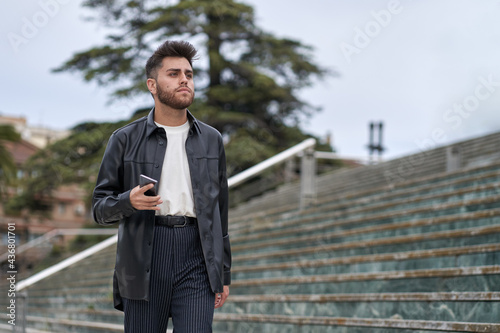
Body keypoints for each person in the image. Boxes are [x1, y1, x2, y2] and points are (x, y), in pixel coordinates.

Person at [92, 40, 231, 333]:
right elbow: (99, 208)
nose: (184, 79)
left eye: (189, 74)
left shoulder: (211, 140)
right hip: (145, 256)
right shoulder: (124, 139)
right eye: (174, 73)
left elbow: (221, 213)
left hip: (197, 257)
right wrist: (127, 201)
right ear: (152, 85)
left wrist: (224, 273)